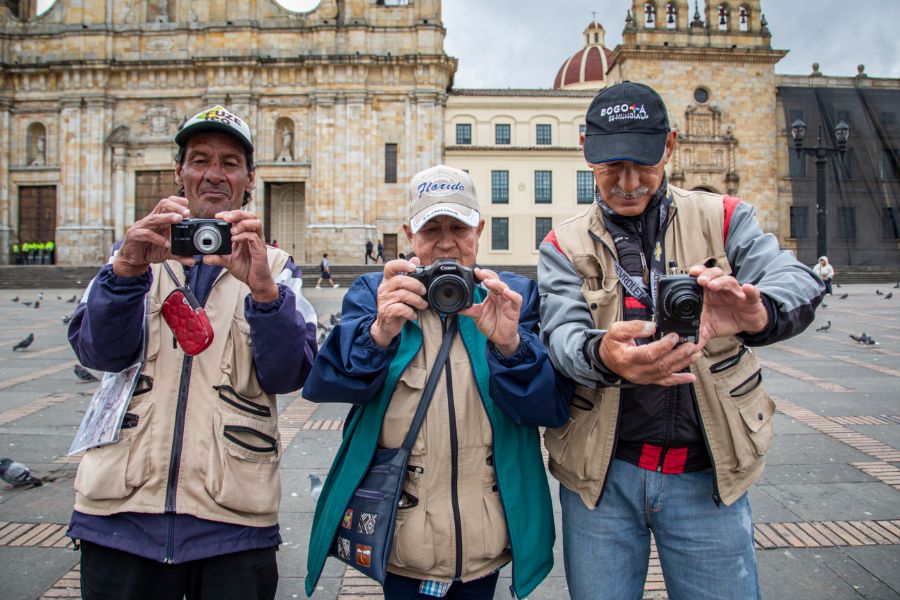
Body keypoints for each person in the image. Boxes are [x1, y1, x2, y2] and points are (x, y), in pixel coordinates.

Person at [537, 82, 825, 600]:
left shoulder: (725, 217)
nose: (628, 183)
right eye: (610, 165)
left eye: (644, 163)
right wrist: (604, 356)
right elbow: (559, 335)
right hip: (602, 481)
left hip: (707, 477)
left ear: (670, 146)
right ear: (586, 148)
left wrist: (761, 311)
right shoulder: (563, 243)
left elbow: (795, 277)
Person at [67, 105, 319, 600]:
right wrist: (124, 275)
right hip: (121, 514)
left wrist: (265, 293)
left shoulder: (277, 267)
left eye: (229, 162)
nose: (213, 174)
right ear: (178, 173)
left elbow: (289, 373)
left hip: (233, 520)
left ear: (250, 179)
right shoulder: (132, 254)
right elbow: (99, 352)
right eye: (200, 159)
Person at [303, 165, 571, 600]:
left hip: (484, 533)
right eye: (432, 228)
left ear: (479, 230)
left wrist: (510, 345)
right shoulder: (378, 291)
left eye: (458, 227)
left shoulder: (511, 295)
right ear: (409, 233)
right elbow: (329, 385)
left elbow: (548, 407)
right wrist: (380, 332)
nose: (446, 242)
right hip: (401, 533)